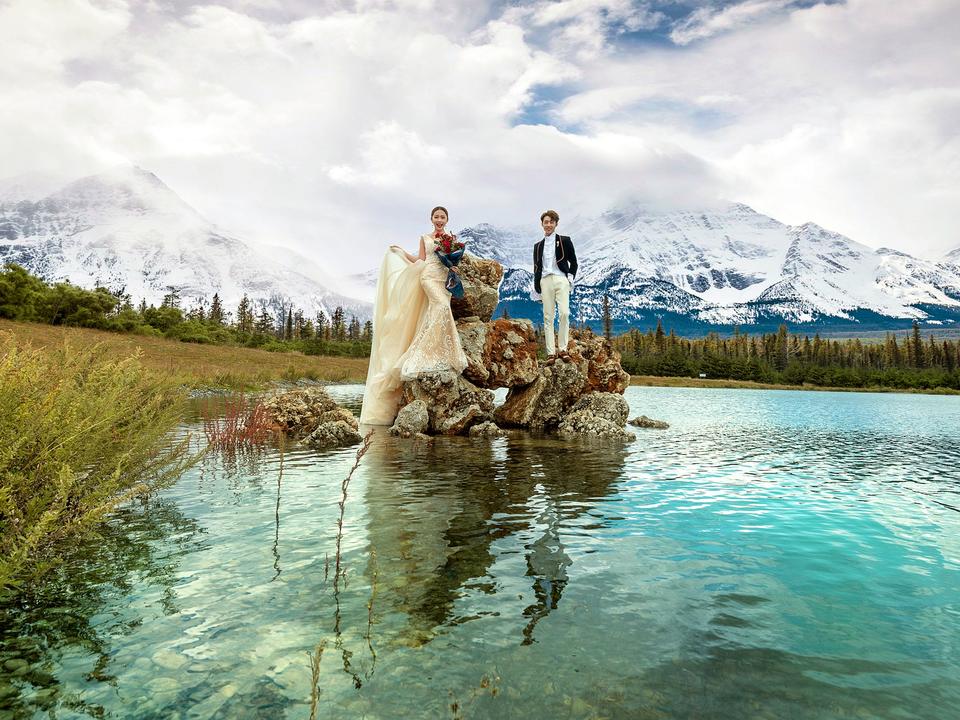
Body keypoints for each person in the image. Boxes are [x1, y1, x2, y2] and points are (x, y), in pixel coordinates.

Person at [360, 206, 469, 425]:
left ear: (447, 219)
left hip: (444, 279)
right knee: (440, 308)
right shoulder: (425, 238)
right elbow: (420, 260)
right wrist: (401, 253)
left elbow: (452, 260)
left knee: (440, 310)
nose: (439, 220)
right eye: (436, 217)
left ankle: (442, 353)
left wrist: (454, 267)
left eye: (443, 217)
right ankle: (423, 353)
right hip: (428, 277)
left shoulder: (451, 239)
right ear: (431, 219)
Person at [531, 210, 578, 360]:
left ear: (556, 224)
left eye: (551, 222)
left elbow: (574, 262)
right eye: (546, 222)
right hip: (545, 281)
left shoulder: (565, 240)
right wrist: (537, 286)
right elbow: (536, 267)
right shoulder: (537, 246)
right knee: (548, 317)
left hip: (561, 279)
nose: (548, 224)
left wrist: (569, 279)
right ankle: (551, 353)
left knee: (564, 313)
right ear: (542, 224)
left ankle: (563, 349)